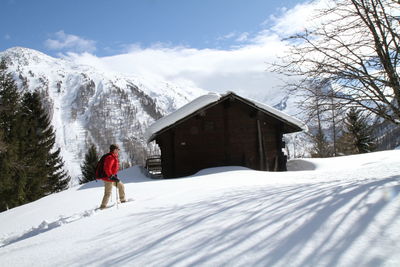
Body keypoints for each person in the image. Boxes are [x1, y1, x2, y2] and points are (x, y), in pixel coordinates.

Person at [97, 144, 126, 209]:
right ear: (114, 150)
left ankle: (123, 201)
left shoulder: (114, 156)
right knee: (108, 193)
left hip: (112, 177)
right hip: (108, 178)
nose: (118, 151)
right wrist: (110, 176)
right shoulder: (110, 158)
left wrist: (113, 176)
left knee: (121, 186)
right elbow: (107, 168)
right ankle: (102, 207)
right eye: (117, 149)